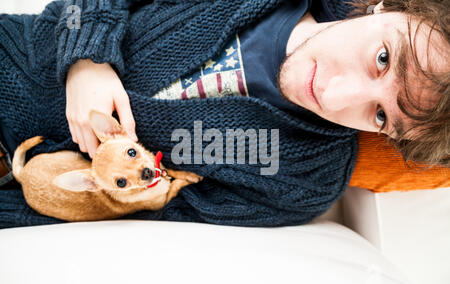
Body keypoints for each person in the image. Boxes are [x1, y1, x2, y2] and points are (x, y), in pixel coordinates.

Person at [0, 0, 448, 229]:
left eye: (380, 117)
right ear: (390, 6)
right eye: (384, 58)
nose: (333, 98)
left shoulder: (303, 179)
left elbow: (150, 214)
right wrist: (86, 59)